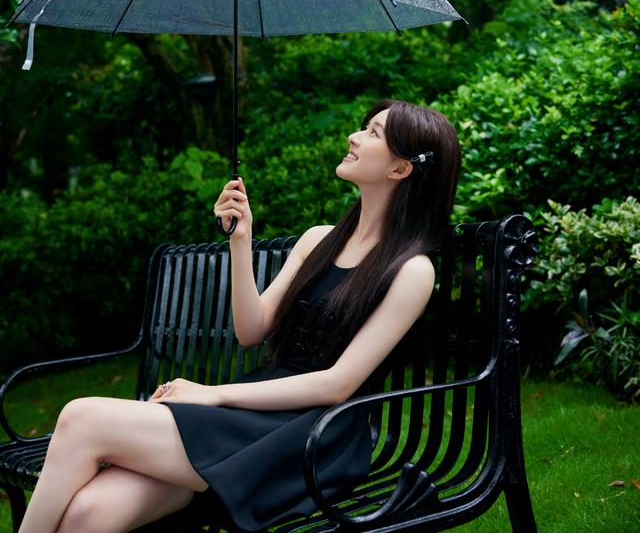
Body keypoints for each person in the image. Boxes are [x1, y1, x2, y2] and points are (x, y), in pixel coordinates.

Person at [18, 99, 460, 533]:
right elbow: (251, 331)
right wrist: (240, 239)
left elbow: (338, 383)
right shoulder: (318, 240)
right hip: (257, 409)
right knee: (88, 514)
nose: (354, 136)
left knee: (82, 418)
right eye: (364, 127)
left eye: (373, 133)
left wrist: (213, 394)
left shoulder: (411, 270)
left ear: (400, 169)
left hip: (310, 435)